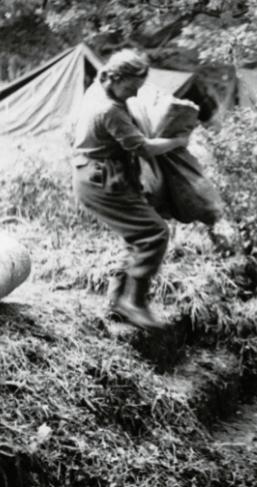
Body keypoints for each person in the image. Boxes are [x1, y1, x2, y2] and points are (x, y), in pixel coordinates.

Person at [72, 49, 190, 329]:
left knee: (135, 235)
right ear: (117, 77)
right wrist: (177, 141)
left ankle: (117, 302)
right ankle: (134, 302)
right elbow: (144, 147)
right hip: (101, 180)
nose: (135, 95)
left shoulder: (99, 88)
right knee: (154, 233)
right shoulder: (108, 109)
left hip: (98, 173)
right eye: (131, 87)